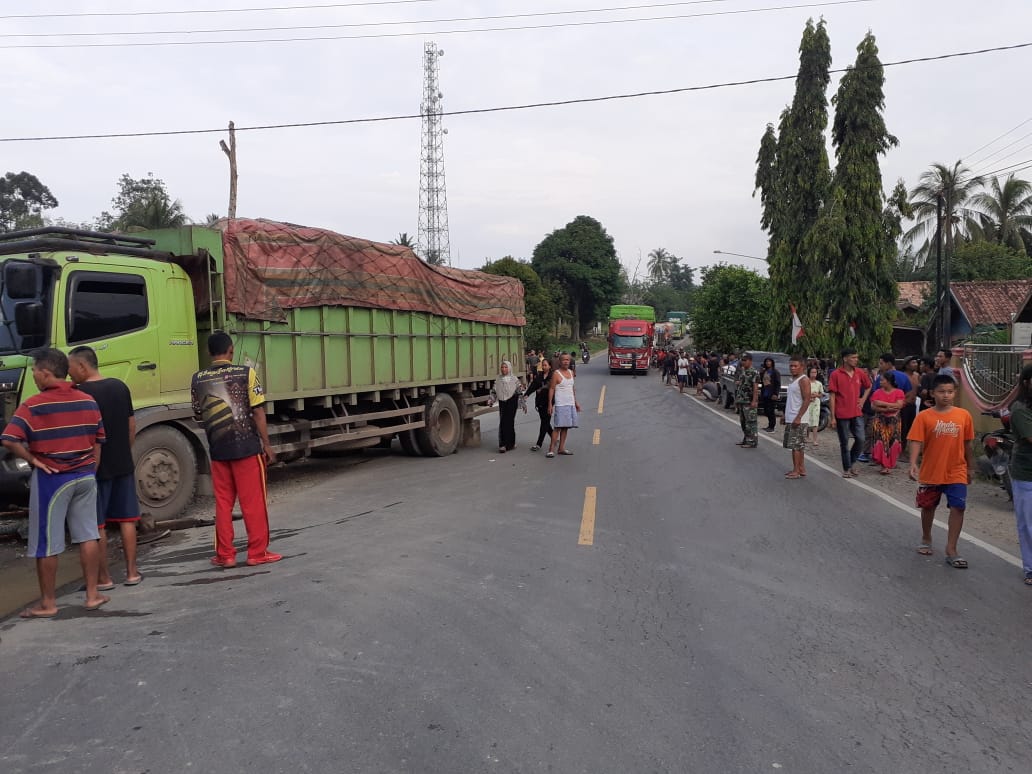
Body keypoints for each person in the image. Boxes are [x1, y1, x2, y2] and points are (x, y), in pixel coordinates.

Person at [1, 348, 107, 617]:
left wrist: (32, 459)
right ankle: (93, 595)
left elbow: (9, 439)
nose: (34, 374)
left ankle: (48, 603)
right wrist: (90, 468)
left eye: (35, 370)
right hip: (84, 476)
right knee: (88, 534)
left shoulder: (33, 405)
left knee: (46, 542)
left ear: (46, 373)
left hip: (52, 479)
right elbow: (99, 439)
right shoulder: (87, 401)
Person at [191, 331, 281, 568]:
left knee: (222, 503)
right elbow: (258, 412)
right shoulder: (246, 373)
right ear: (231, 350)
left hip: (218, 451)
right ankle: (257, 553)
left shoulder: (197, 379)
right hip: (247, 449)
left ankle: (226, 555)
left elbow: (199, 416)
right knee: (253, 502)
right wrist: (267, 445)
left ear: (209, 353)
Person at [68, 346, 143, 587]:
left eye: (70, 369)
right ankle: (132, 573)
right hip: (123, 462)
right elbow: (131, 425)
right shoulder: (120, 387)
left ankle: (104, 578)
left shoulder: (78, 393)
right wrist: (124, 450)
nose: (69, 375)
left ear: (82, 366)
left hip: (94, 467)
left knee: (96, 525)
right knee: (127, 519)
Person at [907, 374, 975, 568]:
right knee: (928, 507)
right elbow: (916, 441)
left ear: (955, 393)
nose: (946, 395)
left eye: (950, 392)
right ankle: (926, 537)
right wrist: (913, 463)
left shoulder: (964, 415)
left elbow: (968, 443)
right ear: (933, 393)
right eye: (942, 391)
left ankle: (951, 549)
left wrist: (971, 467)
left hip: (957, 470)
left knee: (958, 507)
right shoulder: (924, 417)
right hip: (932, 470)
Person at [828, 347, 872, 478]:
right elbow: (832, 396)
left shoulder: (859, 372)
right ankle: (847, 468)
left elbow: (869, 386)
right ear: (845, 358)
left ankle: (852, 462)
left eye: (856, 357)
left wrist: (863, 399)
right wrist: (832, 417)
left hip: (857, 412)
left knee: (861, 439)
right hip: (841, 413)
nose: (856, 360)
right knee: (844, 442)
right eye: (853, 357)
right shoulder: (836, 374)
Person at [1008, 364, 1032, 585]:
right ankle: (1030, 568)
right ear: (1026, 383)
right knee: (1028, 523)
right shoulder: (1020, 409)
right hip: (1026, 473)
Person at [870, 371, 905, 475]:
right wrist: (889, 407)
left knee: (892, 441)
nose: (880, 382)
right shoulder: (877, 392)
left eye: (882, 380)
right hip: (880, 421)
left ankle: (889, 464)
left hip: (893, 422)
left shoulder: (899, 392)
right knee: (881, 441)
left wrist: (882, 404)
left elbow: (899, 406)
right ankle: (884, 465)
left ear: (889, 381)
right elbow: (874, 406)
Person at [547, 352, 581, 458]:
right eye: (564, 360)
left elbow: (572, 389)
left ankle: (561, 448)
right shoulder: (556, 374)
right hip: (561, 404)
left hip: (570, 403)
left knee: (566, 427)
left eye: (568, 360)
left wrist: (576, 403)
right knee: (558, 427)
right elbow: (551, 389)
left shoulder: (571, 373)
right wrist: (550, 404)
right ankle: (551, 449)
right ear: (560, 361)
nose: (566, 361)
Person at [782, 355, 811, 479]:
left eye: (795, 366)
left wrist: (799, 417)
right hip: (791, 415)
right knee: (798, 445)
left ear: (802, 367)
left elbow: (807, 399)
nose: (792, 368)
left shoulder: (803, 380)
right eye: (791, 366)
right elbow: (791, 400)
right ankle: (801, 468)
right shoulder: (794, 380)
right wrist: (785, 415)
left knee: (795, 446)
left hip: (799, 418)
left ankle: (796, 470)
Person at [490, 360, 524, 453]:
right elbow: (494, 391)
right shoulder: (498, 379)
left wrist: (523, 404)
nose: (503, 369)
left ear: (509, 368)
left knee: (510, 422)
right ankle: (503, 444)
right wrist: (491, 400)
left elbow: (519, 392)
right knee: (503, 422)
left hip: (512, 401)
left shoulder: (514, 379)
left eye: (505, 367)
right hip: (502, 401)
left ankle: (511, 443)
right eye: (502, 367)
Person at [524, 357, 554, 452]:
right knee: (545, 422)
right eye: (543, 365)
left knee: (544, 423)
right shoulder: (540, 376)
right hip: (540, 403)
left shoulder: (553, 376)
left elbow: (550, 385)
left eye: (546, 365)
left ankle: (538, 444)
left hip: (548, 402)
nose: (544, 367)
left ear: (550, 366)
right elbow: (533, 385)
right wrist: (526, 395)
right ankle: (554, 437)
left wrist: (542, 389)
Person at [734, 352, 760, 449]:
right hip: (742, 400)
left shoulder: (754, 372)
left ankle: (752, 441)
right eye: (742, 360)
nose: (743, 362)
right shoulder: (743, 371)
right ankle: (746, 439)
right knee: (743, 422)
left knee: (751, 422)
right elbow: (740, 386)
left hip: (749, 401)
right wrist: (737, 399)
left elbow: (755, 388)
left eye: (745, 360)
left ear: (750, 361)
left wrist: (754, 401)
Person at [759, 357, 781, 432]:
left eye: (769, 361)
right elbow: (761, 380)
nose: (768, 363)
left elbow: (778, 384)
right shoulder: (765, 371)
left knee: (771, 410)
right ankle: (769, 425)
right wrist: (761, 372)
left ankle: (772, 426)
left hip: (772, 393)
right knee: (766, 410)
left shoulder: (775, 372)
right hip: (765, 392)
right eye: (767, 361)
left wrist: (775, 393)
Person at [805, 365, 824, 447]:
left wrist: (817, 395)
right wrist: (809, 397)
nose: (814, 374)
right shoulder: (806, 382)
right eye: (812, 372)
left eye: (815, 372)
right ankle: (806, 437)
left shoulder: (819, 383)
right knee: (807, 420)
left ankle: (815, 439)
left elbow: (822, 394)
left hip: (816, 403)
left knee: (815, 421)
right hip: (807, 403)